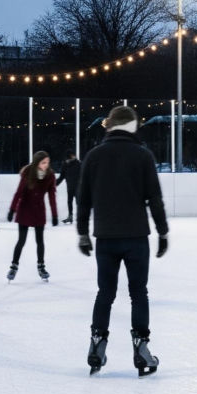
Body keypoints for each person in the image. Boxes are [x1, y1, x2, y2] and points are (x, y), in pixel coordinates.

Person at [77, 105, 168, 377]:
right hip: (136, 238)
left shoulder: (94, 156)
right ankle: (141, 349)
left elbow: (84, 200)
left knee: (105, 293)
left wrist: (83, 232)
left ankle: (96, 346)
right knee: (138, 293)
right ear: (132, 127)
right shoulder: (143, 155)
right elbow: (154, 198)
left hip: (105, 238)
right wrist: (163, 231)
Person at [6, 151, 59, 282]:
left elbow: (52, 196)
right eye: (43, 162)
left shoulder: (50, 176)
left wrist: (55, 214)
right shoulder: (28, 173)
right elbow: (18, 193)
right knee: (21, 240)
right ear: (37, 162)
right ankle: (14, 266)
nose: (46, 165)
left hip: (39, 211)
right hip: (24, 209)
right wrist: (12, 209)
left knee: (40, 241)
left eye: (47, 162)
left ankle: (41, 266)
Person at [56, 149, 81, 224]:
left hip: (78, 187)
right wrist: (54, 184)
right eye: (72, 155)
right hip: (70, 186)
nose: (74, 156)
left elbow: (84, 175)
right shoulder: (65, 165)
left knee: (78, 202)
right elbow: (62, 176)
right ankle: (70, 216)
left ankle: (80, 217)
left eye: (74, 155)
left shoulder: (78, 164)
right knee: (69, 201)